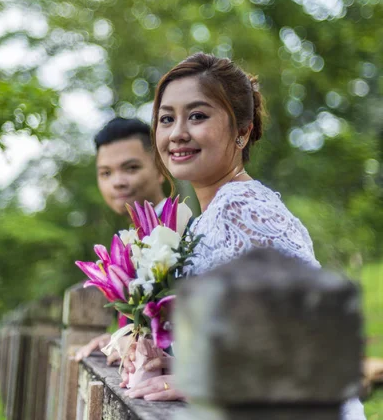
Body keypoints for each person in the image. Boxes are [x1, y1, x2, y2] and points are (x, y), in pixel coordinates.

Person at [123, 53, 365, 420]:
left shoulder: (243, 207)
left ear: (242, 130)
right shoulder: (210, 218)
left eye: (198, 116)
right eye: (166, 119)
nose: (177, 133)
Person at [75, 117, 166, 362]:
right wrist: (117, 337)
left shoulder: (181, 231)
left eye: (131, 168)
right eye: (106, 173)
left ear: (161, 168)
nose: (117, 182)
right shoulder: (128, 240)